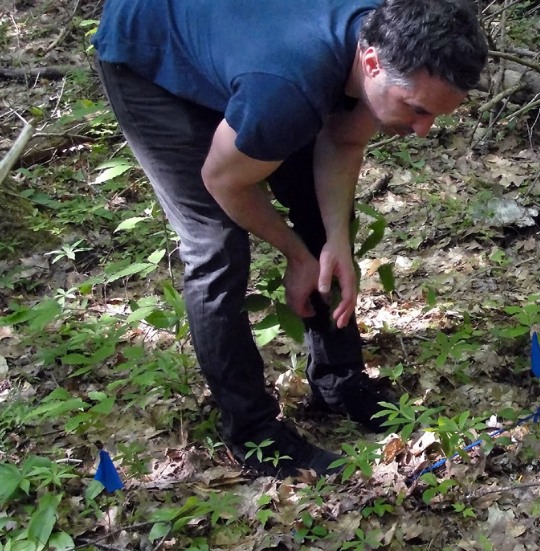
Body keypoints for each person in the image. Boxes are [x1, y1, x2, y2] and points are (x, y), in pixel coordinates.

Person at [91, 0, 488, 478]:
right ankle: (254, 433)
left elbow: (343, 140)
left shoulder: (382, 39)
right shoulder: (289, 89)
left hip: (248, 48)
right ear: (371, 64)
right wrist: (296, 256)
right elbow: (222, 179)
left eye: (435, 117)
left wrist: (335, 241)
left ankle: (338, 380)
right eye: (417, 110)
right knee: (216, 246)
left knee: (319, 213)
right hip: (150, 47)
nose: (423, 131)